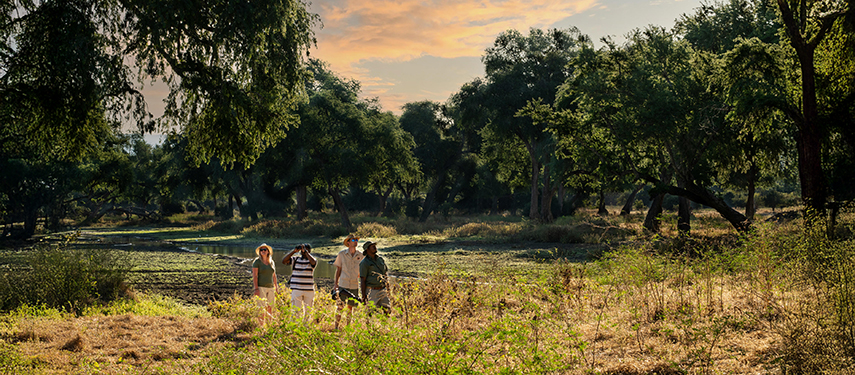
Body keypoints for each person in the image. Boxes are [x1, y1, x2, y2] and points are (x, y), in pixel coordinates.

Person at [333, 234, 364, 330]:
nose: (356, 241)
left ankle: (348, 327)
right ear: (348, 242)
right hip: (343, 284)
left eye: (356, 240)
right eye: (353, 240)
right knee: (340, 307)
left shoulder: (360, 255)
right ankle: (336, 327)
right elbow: (338, 270)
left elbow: (362, 271)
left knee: (350, 308)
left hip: (354, 285)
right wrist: (336, 284)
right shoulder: (342, 254)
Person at [283, 243, 316, 323]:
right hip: (296, 289)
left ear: (309, 251)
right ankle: (295, 327)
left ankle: (306, 327)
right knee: (295, 311)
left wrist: (306, 253)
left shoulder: (311, 260)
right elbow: (284, 261)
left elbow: (313, 262)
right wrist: (294, 251)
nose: (304, 252)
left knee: (308, 311)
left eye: (306, 250)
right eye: (302, 250)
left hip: (309, 290)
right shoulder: (295, 259)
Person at [359, 240, 391, 315]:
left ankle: (385, 325)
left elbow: (385, 274)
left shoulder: (380, 259)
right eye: (372, 246)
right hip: (371, 291)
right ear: (367, 249)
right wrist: (364, 296)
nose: (375, 247)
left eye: (374, 245)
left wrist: (387, 287)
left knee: (387, 310)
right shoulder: (364, 263)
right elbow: (363, 279)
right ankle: (368, 326)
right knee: (369, 312)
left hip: (382, 289)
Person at [252, 243, 279, 326]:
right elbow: (255, 276)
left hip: (270, 287)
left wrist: (276, 287)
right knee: (261, 307)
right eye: (261, 250)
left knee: (270, 307)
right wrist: (256, 289)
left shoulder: (271, 262)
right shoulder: (257, 262)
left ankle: (269, 324)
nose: (263, 251)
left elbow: (274, 275)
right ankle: (261, 326)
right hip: (261, 287)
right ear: (259, 252)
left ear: (268, 251)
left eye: (265, 250)